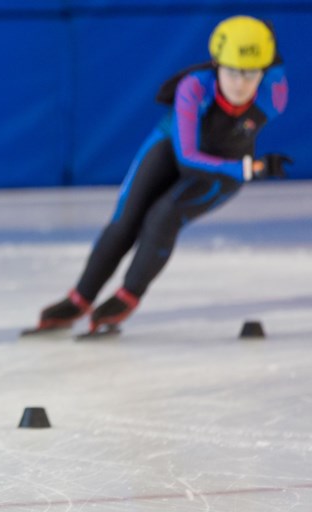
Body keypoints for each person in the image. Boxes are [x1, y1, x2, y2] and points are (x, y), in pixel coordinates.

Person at [28, 15, 290, 336]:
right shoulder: (194, 87)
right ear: (215, 65)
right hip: (178, 149)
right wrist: (251, 168)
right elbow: (188, 159)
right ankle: (79, 298)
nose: (240, 83)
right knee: (125, 221)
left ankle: (128, 296)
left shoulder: (274, 93)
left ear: (262, 74)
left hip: (222, 170)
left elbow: (273, 61)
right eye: (232, 71)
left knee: (163, 217)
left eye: (251, 74)